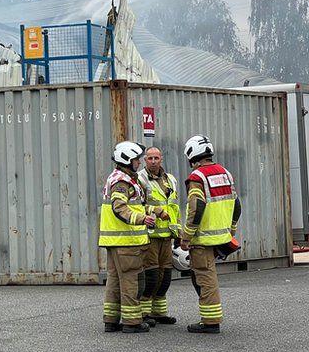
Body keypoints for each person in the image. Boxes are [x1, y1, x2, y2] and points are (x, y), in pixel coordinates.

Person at [100, 141, 169, 333]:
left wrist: (156, 210)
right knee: (133, 279)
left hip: (116, 241)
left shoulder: (122, 178)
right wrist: (141, 219)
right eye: (136, 160)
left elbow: (136, 205)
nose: (139, 163)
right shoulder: (122, 182)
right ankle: (132, 321)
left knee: (114, 280)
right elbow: (119, 207)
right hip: (126, 242)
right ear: (127, 160)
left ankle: (111, 320)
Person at [180, 135, 242, 334]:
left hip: (203, 239)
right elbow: (237, 205)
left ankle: (210, 321)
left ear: (191, 155)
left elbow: (196, 208)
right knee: (202, 276)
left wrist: (186, 236)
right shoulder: (225, 173)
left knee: (205, 278)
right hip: (221, 237)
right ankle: (208, 317)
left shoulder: (197, 177)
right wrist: (231, 229)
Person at [136, 146, 180, 325]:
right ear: (145, 160)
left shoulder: (170, 180)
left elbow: (174, 207)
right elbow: (136, 205)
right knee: (151, 275)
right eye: (149, 158)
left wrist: (178, 232)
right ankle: (144, 313)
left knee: (165, 276)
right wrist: (156, 210)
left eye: (156, 158)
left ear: (161, 159)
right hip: (150, 235)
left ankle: (159, 313)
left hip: (167, 235)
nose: (153, 161)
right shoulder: (140, 179)